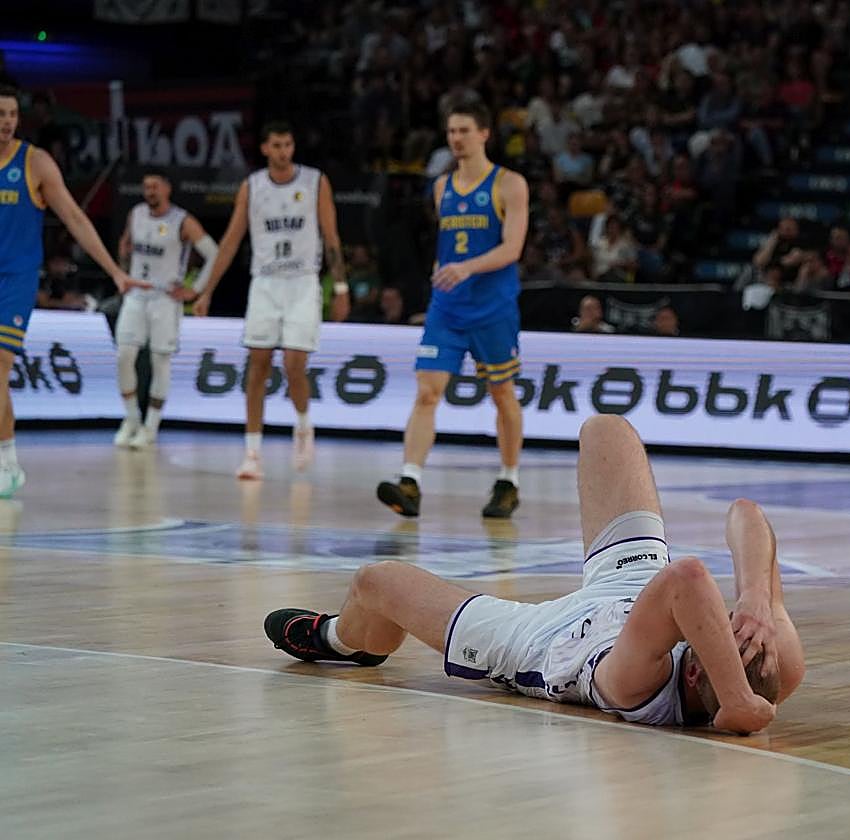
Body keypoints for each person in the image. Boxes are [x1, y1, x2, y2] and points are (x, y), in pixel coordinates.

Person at [265, 415, 805, 735]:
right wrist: (757, 595)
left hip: (538, 641)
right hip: (625, 588)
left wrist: (736, 701)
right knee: (606, 430)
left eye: (730, 626)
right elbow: (746, 514)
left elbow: (687, 578)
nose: (738, 620)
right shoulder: (775, 662)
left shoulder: (639, 687)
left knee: (375, 582)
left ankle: (345, 640)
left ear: (692, 673)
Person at [376, 102, 529, 519]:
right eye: (450, 132)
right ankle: (410, 481)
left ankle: (508, 480)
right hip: (447, 306)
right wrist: (442, 272)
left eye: (463, 130)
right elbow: (449, 244)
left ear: (484, 134)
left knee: (501, 394)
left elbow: (512, 248)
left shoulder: (509, 184)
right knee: (427, 392)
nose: (455, 138)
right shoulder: (442, 187)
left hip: (492, 306)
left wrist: (465, 268)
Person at [0, 85, 142, 496]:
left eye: (11, 113)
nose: (7, 121)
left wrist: (114, 271)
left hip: (15, 280)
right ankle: (7, 458)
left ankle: (7, 461)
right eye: (1, 113)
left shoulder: (36, 163)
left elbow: (77, 220)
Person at [191, 121, 350, 480]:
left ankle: (304, 425)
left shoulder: (314, 181)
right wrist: (208, 290)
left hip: (303, 281)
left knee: (294, 363)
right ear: (264, 149)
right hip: (265, 282)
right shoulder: (252, 187)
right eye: (276, 145)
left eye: (288, 144)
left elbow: (331, 236)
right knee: (257, 365)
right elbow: (230, 241)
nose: (283, 151)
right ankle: (252, 452)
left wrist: (340, 287)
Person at [113, 171, 218, 449]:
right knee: (124, 355)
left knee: (160, 361)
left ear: (168, 189)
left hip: (165, 298)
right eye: (146, 186)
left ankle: (151, 426)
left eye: (156, 186)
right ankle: (132, 418)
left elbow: (214, 253)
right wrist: (122, 272)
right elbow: (125, 244)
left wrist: (195, 289)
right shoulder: (135, 213)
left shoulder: (181, 220)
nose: (150, 191)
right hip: (136, 293)